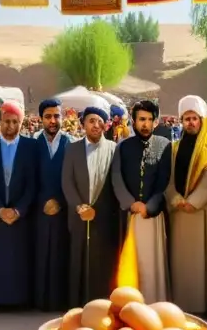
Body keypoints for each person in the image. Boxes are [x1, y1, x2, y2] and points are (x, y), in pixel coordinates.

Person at [165, 96, 207, 313]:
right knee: (180, 262)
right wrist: (175, 199)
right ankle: (179, 304)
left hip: (200, 212)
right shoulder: (173, 147)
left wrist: (193, 202)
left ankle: (199, 306)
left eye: (194, 118)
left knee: (199, 262)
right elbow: (167, 179)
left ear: (202, 121)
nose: (190, 122)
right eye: (186, 119)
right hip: (178, 211)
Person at [112, 100, 172, 303]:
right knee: (130, 263)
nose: (145, 124)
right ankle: (128, 306)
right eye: (141, 119)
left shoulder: (164, 146)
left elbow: (164, 183)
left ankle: (153, 305)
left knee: (151, 263)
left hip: (152, 216)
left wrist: (150, 207)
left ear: (156, 122)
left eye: (149, 120)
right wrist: (131, 203)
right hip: (129, 216)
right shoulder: (123, 147)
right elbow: (116, 178)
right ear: (134, 121)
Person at [62, 106, 119, 306]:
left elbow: (116, 183)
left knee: (101, 262)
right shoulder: (73, 149)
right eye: (91, 121)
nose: (96, 125)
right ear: (83, 124)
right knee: (78, 260)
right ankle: (76, 305)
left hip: (104, 218)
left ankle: (101, 305)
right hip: (79, 215)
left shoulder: (114, 148)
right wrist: (79, 207)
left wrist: (100, 210)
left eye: (99, 121)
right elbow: (67, 182)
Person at [0, 101, 36, 308]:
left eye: (15, 122)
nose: (10, 126)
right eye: (6, 121)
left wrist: (18, 210)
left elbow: (32, 184)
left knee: (19, 259)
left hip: (20, 215)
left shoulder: (30, 147)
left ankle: (20, 301)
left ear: (21, 124)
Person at [33, 98, 72, 311]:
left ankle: (59, 302)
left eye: (56, 116)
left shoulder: (72, 143)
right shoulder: (32, 144)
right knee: (40, 255)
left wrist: (60, 201)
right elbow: (29, 179)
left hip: (63, 208)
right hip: (39, 209)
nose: (53, 120)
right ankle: (40, 301)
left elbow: (75, 179)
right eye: (48, 116)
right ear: (41, 119)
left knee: (60, 254)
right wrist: (42, 202)